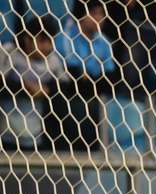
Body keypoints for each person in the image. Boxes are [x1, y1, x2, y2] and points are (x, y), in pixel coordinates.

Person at [0, 16, 69, 150]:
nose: (47, 46)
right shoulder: (9, 52)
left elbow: (65, 87)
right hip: (5, 133)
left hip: (36, 135)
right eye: (43, 41)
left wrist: (47, 90)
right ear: (27, 39)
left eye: (50, 41)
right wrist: (24, 87)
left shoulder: (53, 60)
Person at [55, 0, 115, 150]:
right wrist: (90, 79)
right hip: (68, 99)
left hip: (95, 101)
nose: (100, 18)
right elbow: (72, 75)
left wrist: (88, 78)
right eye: (95, 13)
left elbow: (109, 79)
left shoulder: (105, 42)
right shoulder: (65, 38)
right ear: (81, 15)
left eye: (102, 13)